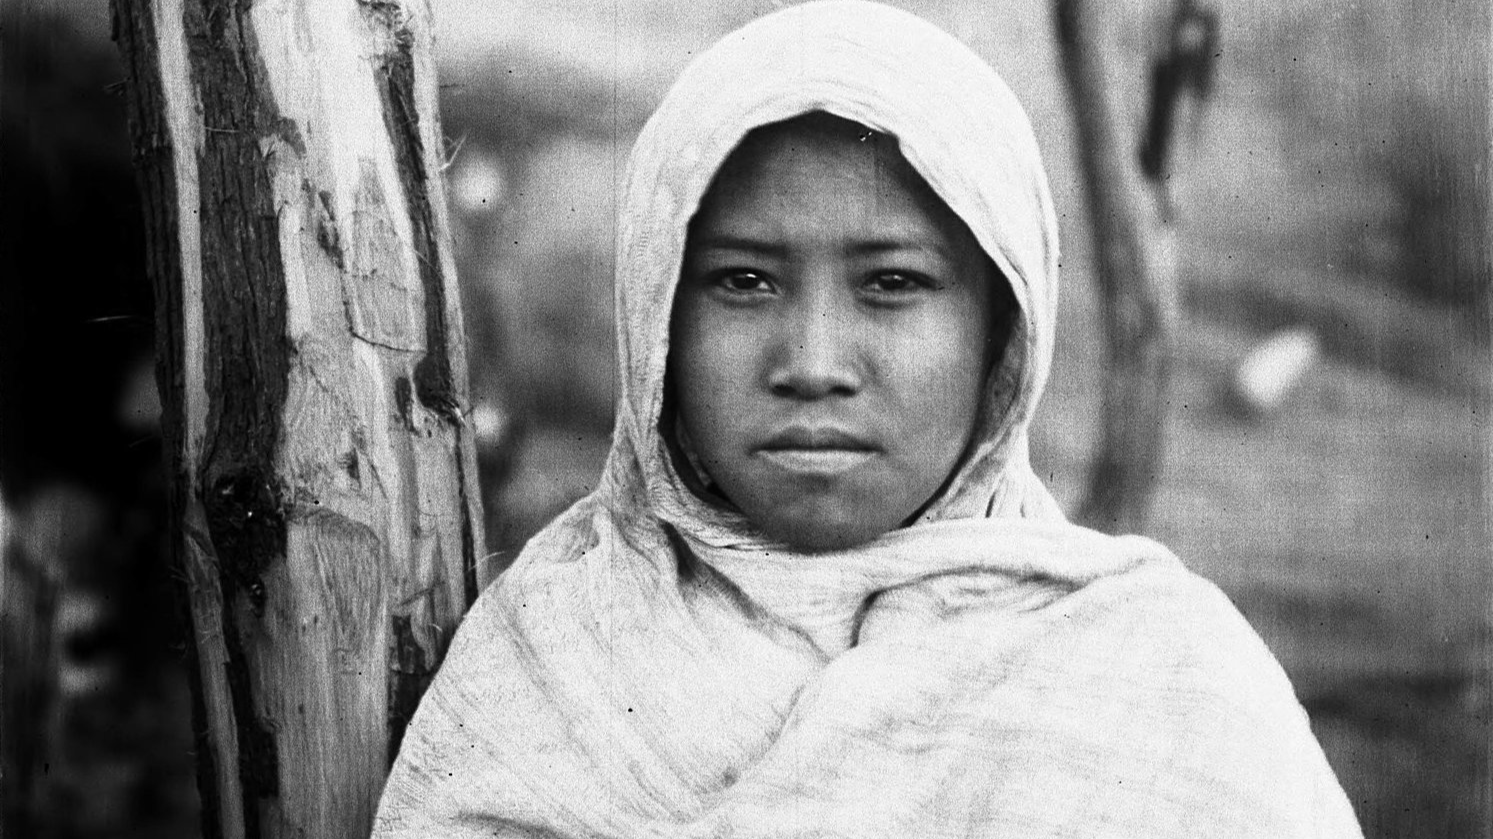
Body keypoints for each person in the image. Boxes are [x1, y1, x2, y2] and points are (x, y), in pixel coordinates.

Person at [374, 3, 1362, 836]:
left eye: (892, 282)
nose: (810, 363)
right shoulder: (545, 667)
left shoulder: (1163, 680)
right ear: (656, 313)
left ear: (1001, 333)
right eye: (743, 280)